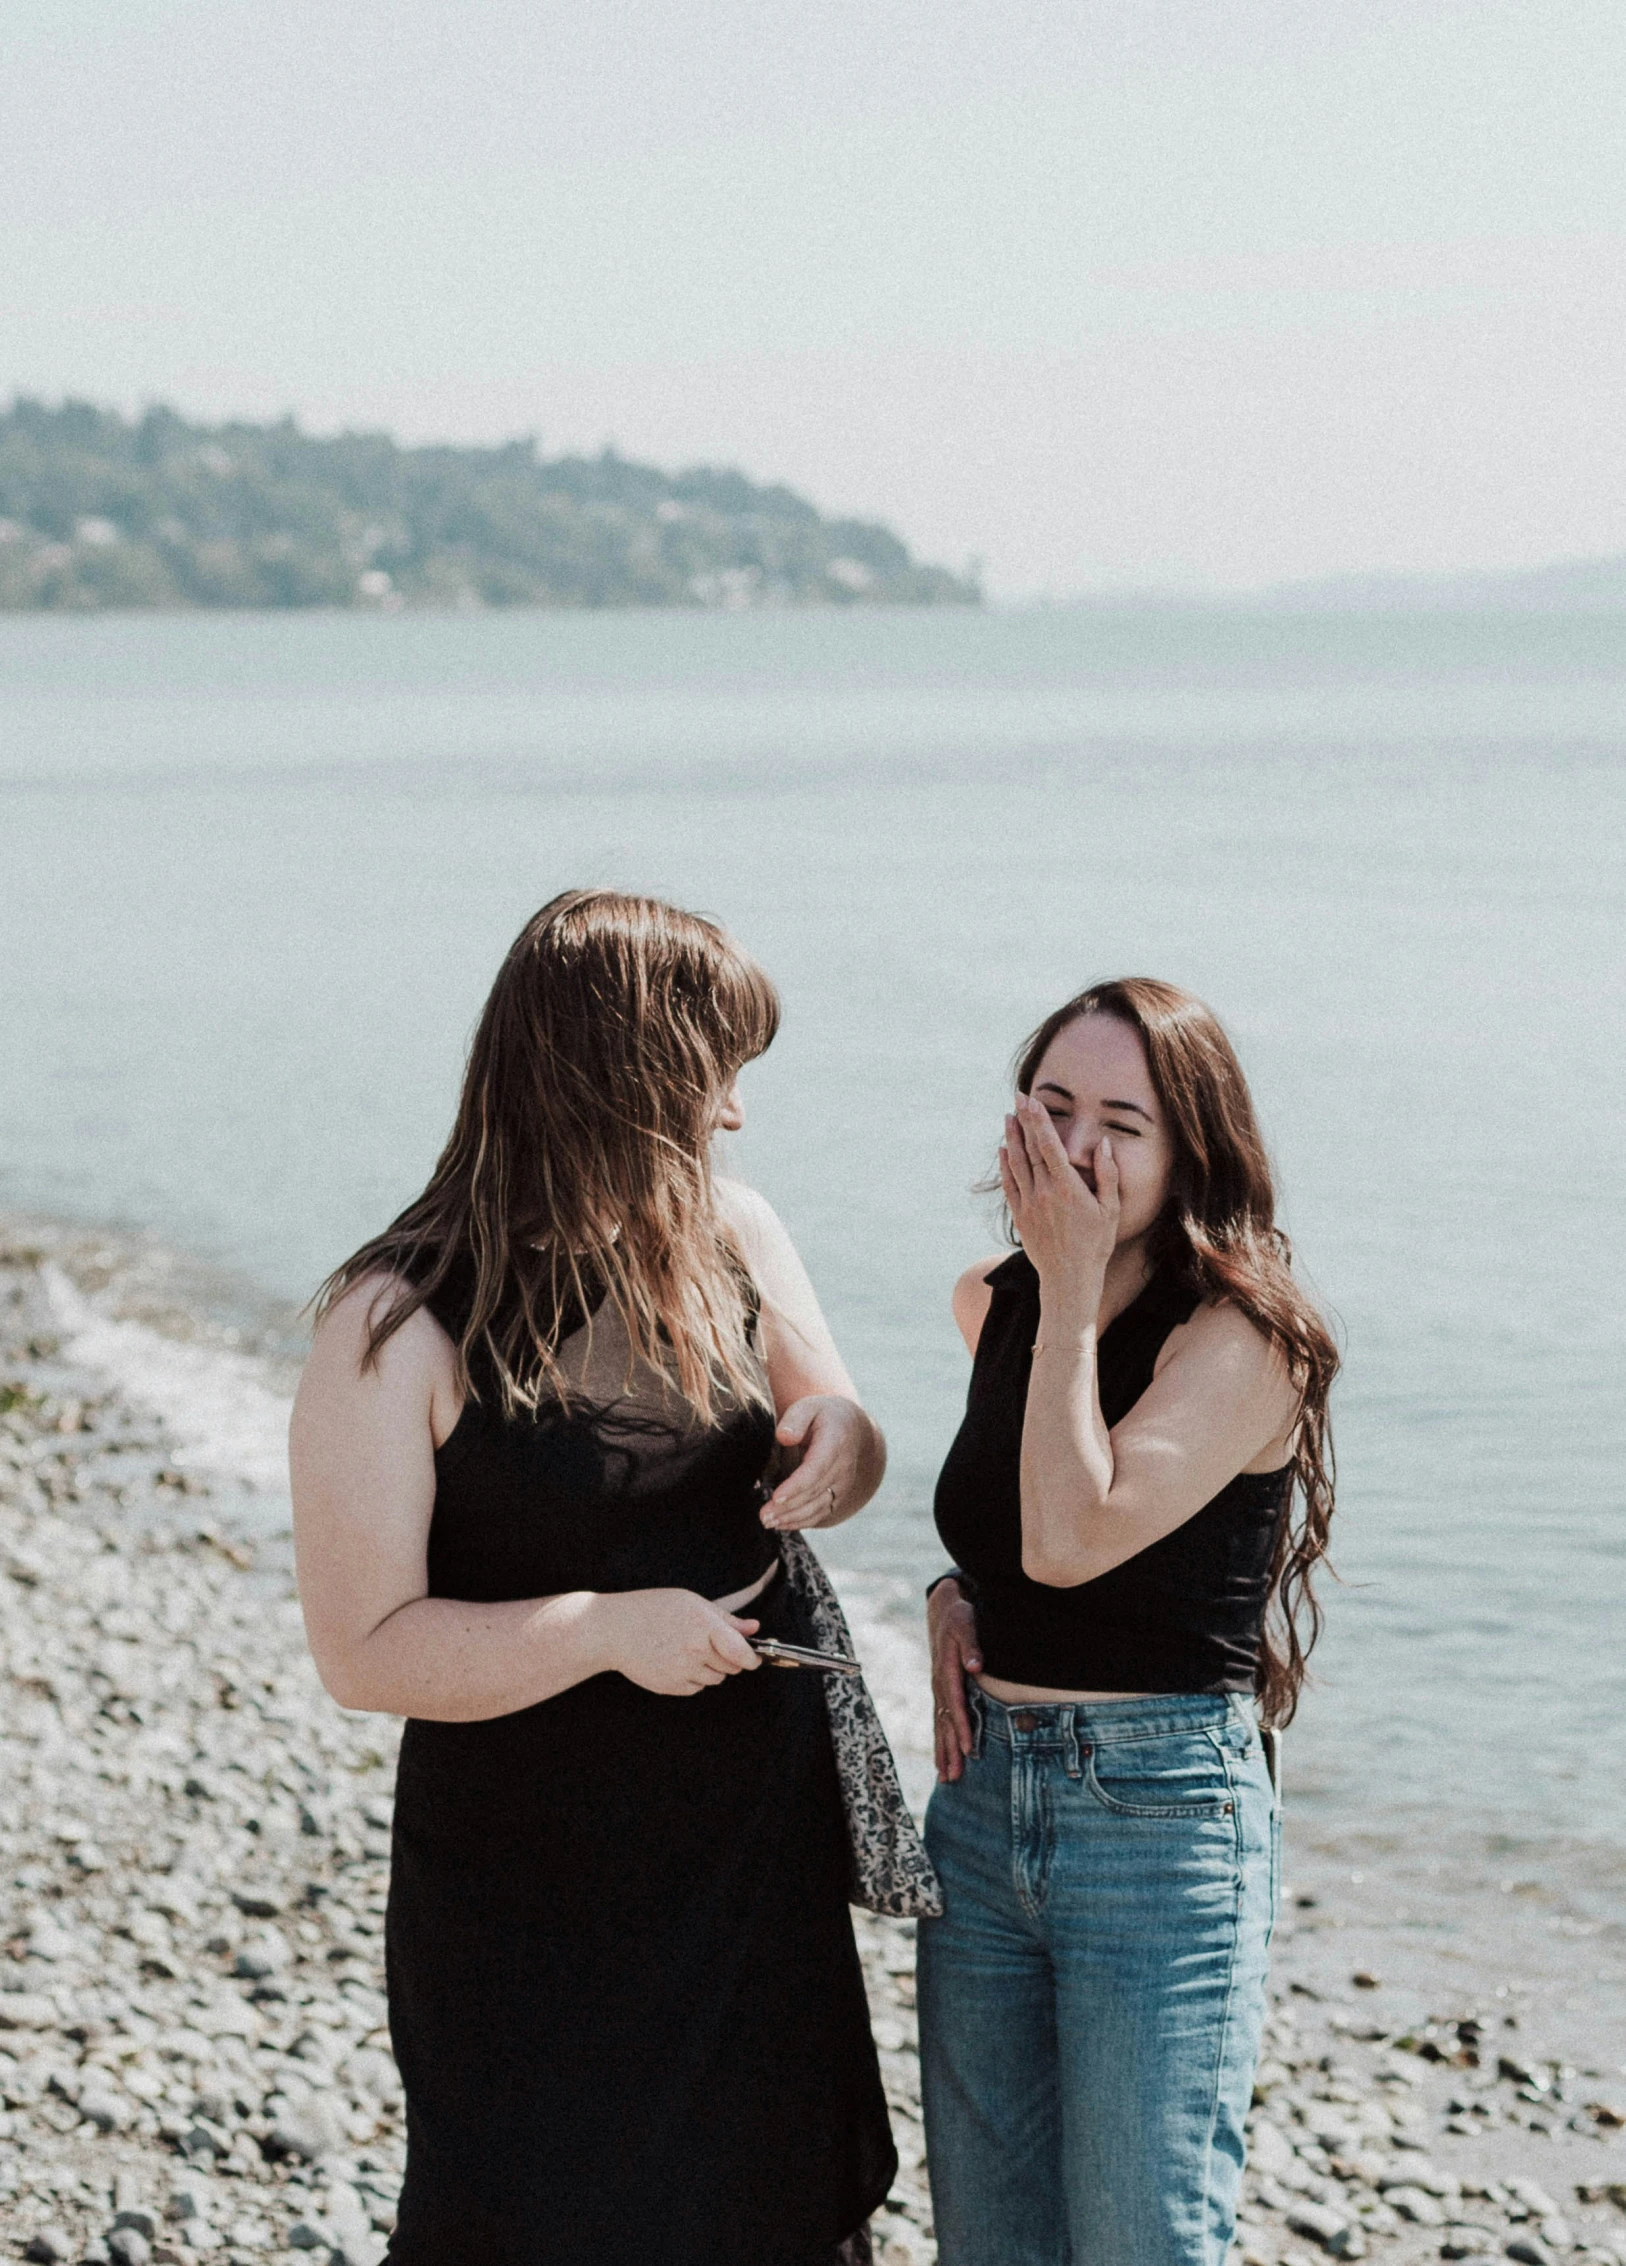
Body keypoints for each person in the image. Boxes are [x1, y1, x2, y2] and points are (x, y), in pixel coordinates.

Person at [288, 889, 897, 2266]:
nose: (733, 1115)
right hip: (527, 1881)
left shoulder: (734, 1231)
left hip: (747, 1847)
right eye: (716, 1076)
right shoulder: (393, 1321)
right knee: (538, 2212)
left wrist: (845, 1443)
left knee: (772, 2205)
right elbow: (362, 1648)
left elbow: (847, 1448)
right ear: (621, 1077)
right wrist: (603, 1629)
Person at [920, 977, 1339, 2266]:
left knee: (1142, 2242)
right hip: (984, 1808)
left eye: (1123, 1121)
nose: (1081, 1151)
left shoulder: (1244, 1336)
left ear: (1192, 1149)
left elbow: (1073, 1536)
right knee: (991, 2245)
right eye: (1053, 1110)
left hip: (1160, 1828)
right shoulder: (991, 1301)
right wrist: (950, 1598)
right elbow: (1006, 1536)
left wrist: (1071, 1290)